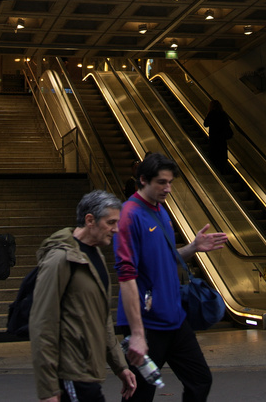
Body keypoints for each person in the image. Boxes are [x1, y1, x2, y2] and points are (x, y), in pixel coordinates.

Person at [114, 152, 228, 402]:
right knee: (140, 393)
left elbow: (164, 257)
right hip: (146, 324)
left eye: (170, 182)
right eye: (162, 182)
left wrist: (193, 248)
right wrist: (137, 334)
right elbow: (126, 277)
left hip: (175, 319)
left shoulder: (160, 211)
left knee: (200, 380)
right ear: (143, 180)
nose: (168, 188)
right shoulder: (129, 216)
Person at [30, 190, 138, 402]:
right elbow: (42, 324)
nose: (116, 229)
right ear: (90, 220)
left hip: (88, 370)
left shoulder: (93, 254)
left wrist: (120, 366)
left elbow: (102, 318)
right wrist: (49, 390)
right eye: (111, 222)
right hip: (70, 372)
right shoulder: (60, 259)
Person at [203, 100, 232, 167]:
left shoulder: (212, 113)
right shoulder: (223, 114)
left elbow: (205, 124)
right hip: (222, 140)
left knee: (214, 157)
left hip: (214, 139)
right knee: (222, 157)